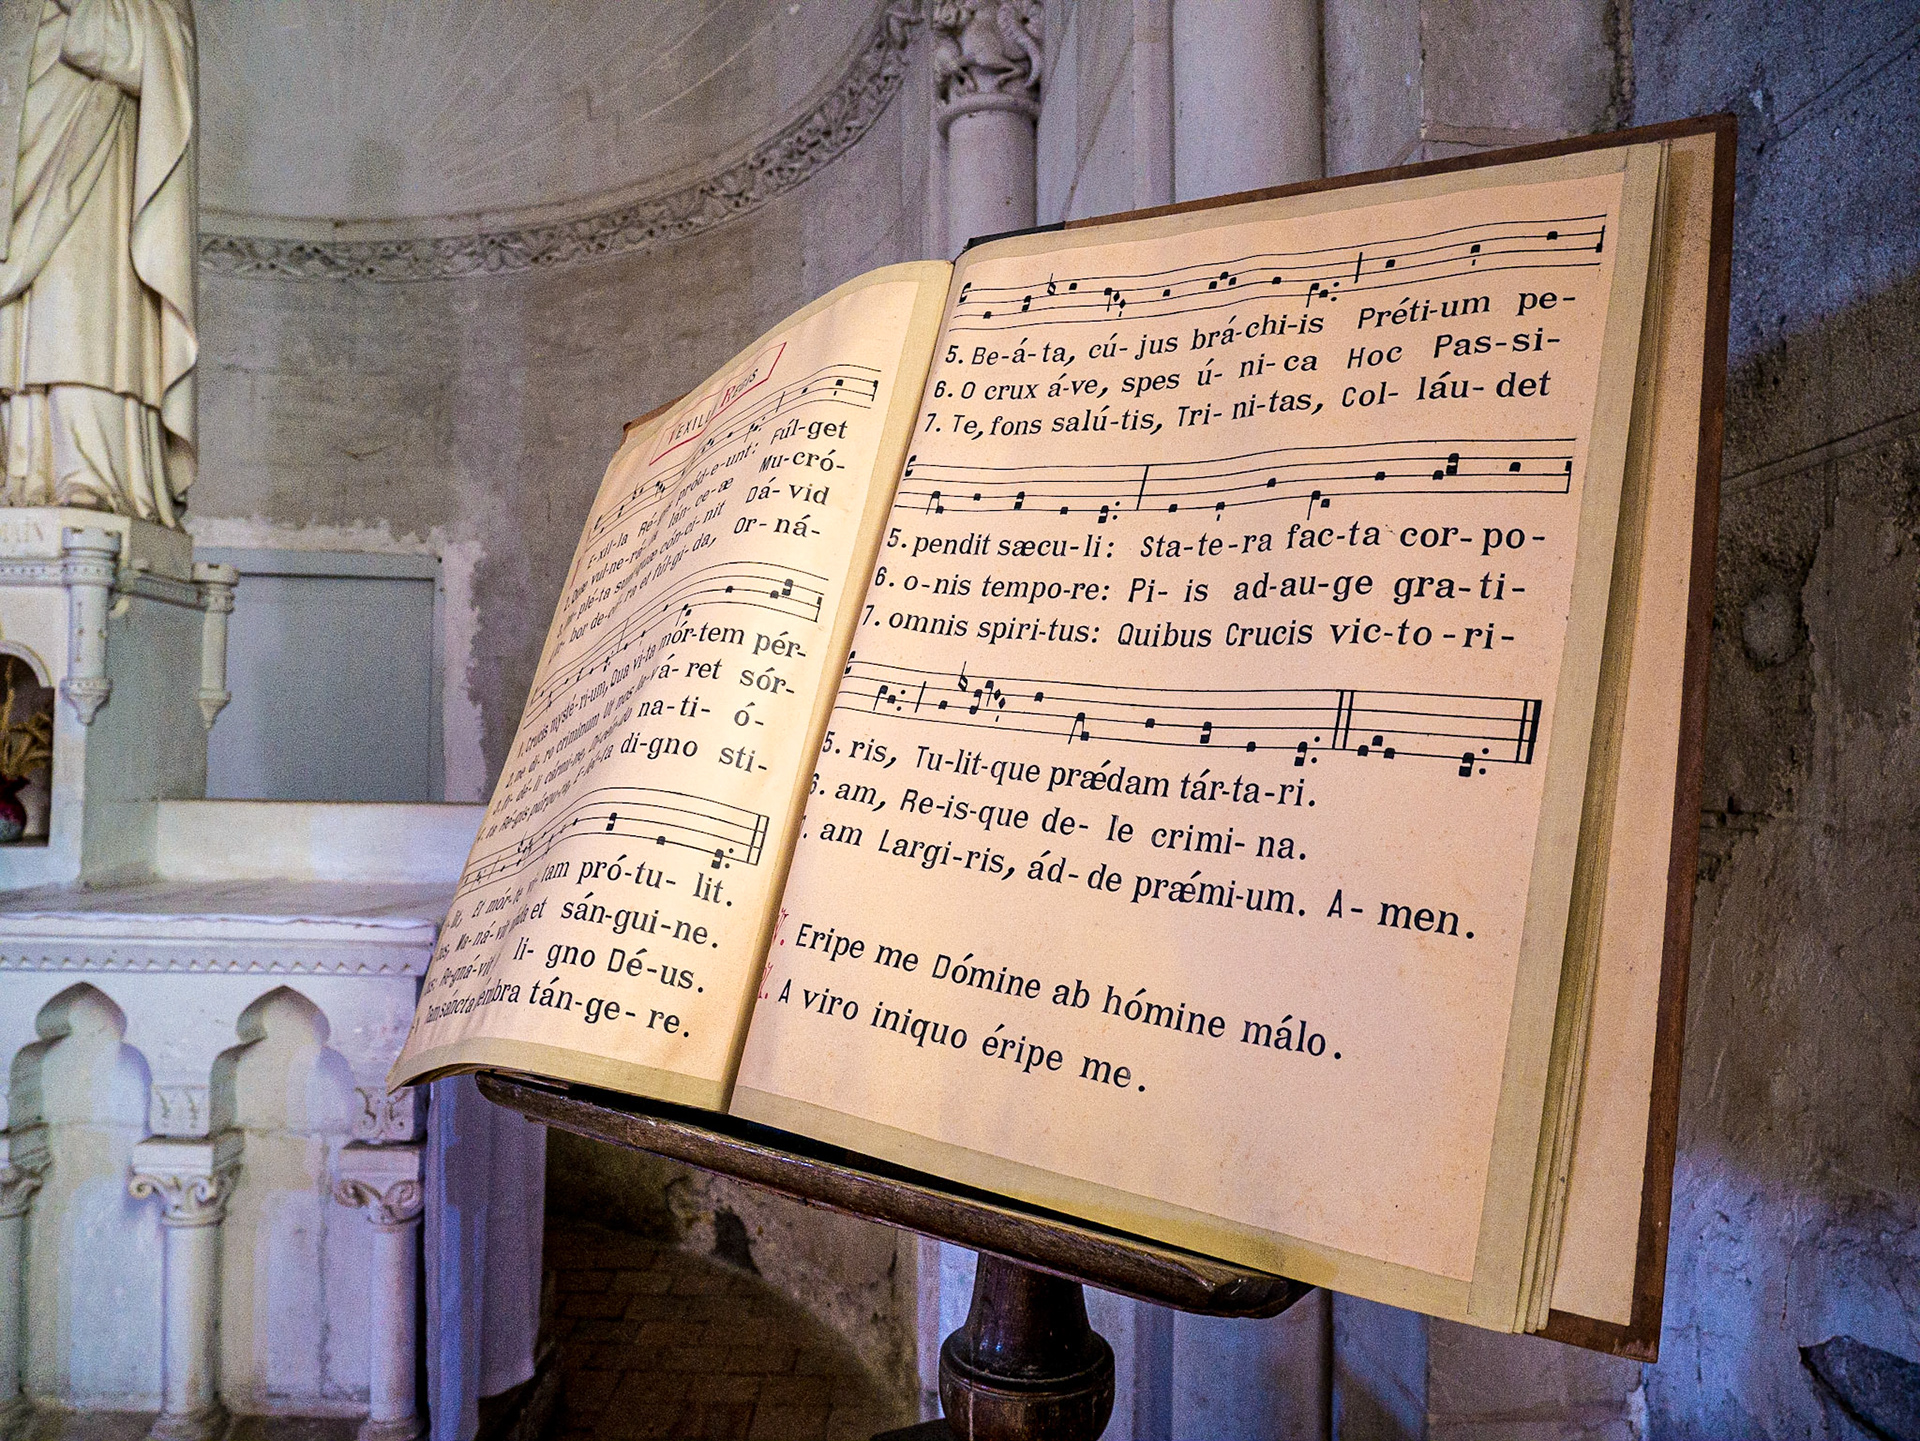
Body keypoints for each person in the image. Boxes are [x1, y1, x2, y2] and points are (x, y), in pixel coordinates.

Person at [0, 0, 196, 526]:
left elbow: (164, 50)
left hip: (96, 142)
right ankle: (22, 466)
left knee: (78, 306)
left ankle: (87, 466)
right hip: (17, 145)